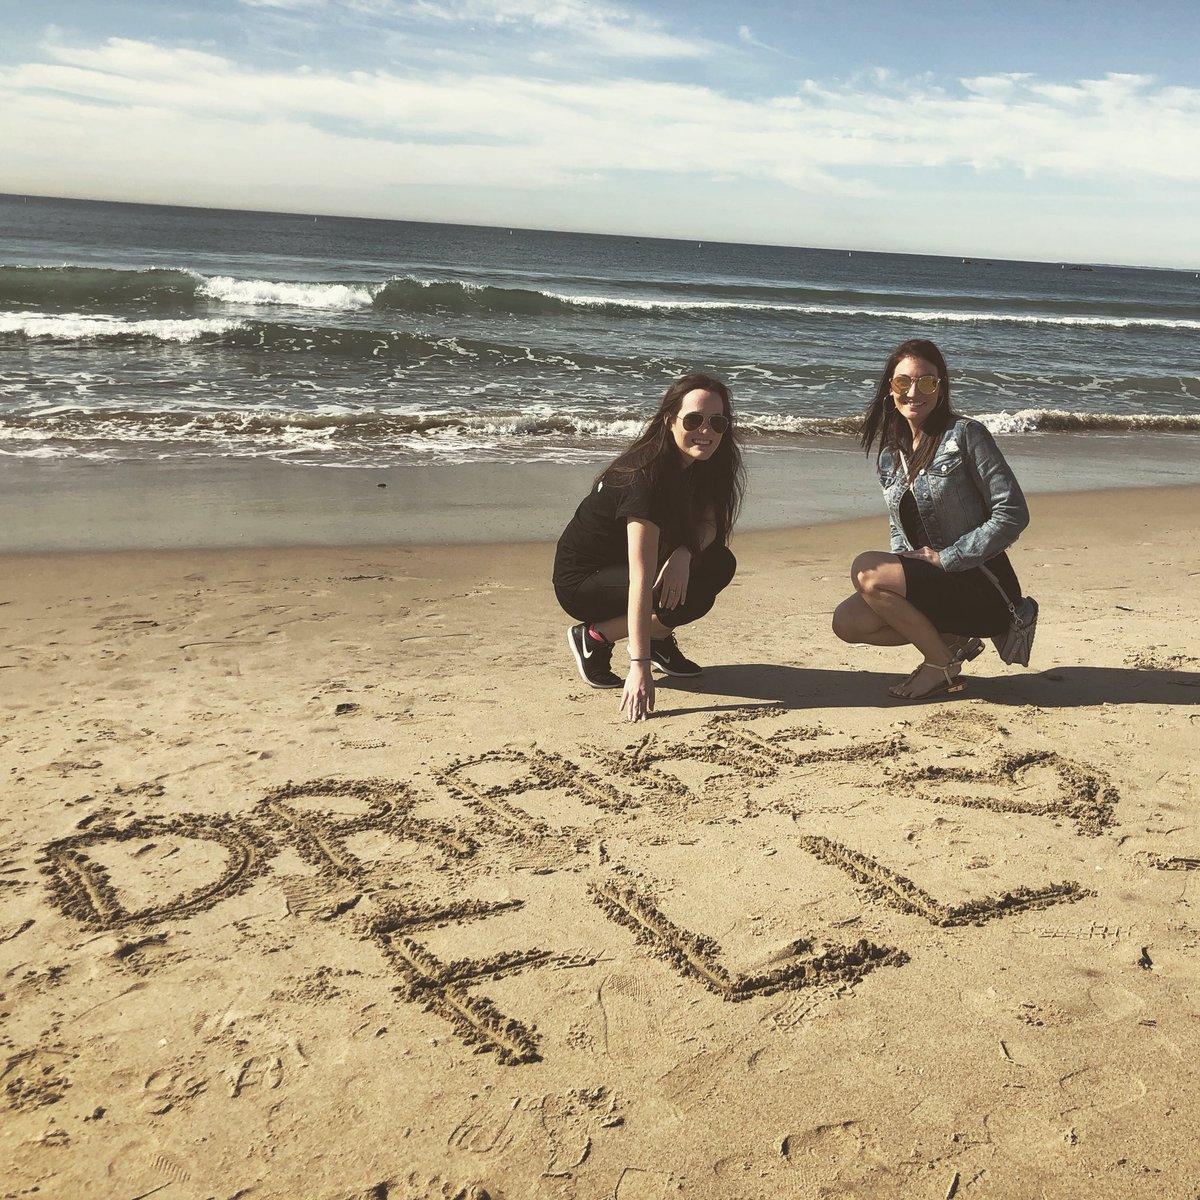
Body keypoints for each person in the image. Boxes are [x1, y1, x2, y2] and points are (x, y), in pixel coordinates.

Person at [832, 338, 1029, 701]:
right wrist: (901, 567)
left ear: (941, 387)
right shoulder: (891, 455)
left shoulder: (965, 436)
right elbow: (898, 526)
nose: (913, 392)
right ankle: (949, 643)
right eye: (902, 382)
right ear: (889, 388)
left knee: (866, 571)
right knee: (847, 622)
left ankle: (940, 664)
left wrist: (947, 557)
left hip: (979, 586)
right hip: (933, 586)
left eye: (927, 382)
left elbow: (1012, 512)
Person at [553, 372, 745, 722]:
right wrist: (638, 666)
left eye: (717, 422)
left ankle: (658, 637)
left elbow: (711, 525)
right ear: (670, 420)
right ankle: (595, 637)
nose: (706, 431)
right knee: (688, 591)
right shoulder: (645, 476)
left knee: (718, 563)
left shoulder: (703, 464)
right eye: (694, 420)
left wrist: (685, 554)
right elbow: (641, 578)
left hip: (636, 566)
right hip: (584, 581)